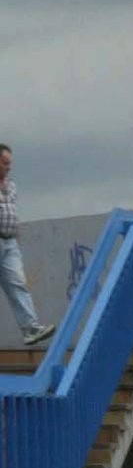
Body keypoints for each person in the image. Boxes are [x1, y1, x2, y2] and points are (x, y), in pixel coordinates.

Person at [0, 143, 54, 346]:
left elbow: (12, 212)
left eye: (10, 163)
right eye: (5, 163)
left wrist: (16, 238)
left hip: (10, 242)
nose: (8, 167)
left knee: (18, 285)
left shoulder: (12, 185)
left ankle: (31, 329)